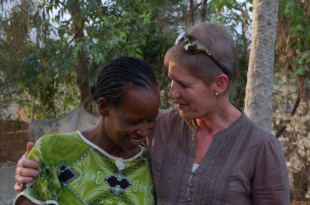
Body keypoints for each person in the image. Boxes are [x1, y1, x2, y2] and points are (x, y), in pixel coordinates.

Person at [15, 22, 290, 204]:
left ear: (219, 84)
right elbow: (103, 143)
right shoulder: (159, 126)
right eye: (171, 81)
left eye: (183, 84)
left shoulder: (260, 148)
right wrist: (34, 164)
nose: (172, 93)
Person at [13, 57, 160, 205]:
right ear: (103, 107)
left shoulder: (153, 163)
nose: (143, 131)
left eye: (151, 120)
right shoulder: (53, 152)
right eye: (133, 122)